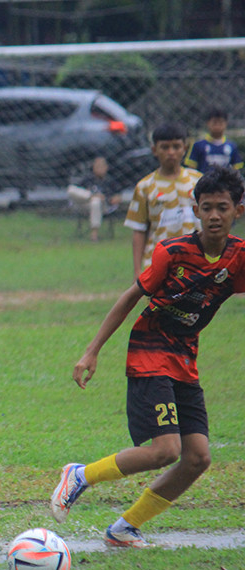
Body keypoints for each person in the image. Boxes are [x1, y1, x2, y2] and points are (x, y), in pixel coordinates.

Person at [51, 166, 245, 548]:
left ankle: (125, 527)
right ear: (196, 210)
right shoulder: (172, 253)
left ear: (238, 210)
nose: (214, 216)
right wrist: (92, 351)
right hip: (149, 352)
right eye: (207, 207)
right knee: (165, 450)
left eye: (223, 207)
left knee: (197, 458)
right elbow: (129, 298)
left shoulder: (238, 258)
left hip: (185, 360)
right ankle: (80, 475)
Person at [124, 123, 202, 281]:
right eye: (165, 147)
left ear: (185, 148)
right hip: (158, 262)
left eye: (176, 146)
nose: (171, 152)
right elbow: (139, 230)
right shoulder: (145, 186)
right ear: (154, 150)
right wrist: (138, 270)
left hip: (196, 261)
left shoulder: (199, 181)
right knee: (160, 305)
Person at [66, 156, 122, 242]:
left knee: (96, 202)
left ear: (106, 167)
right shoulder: (88, 179)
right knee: (71, 189)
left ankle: (94, 235)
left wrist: (115, 198)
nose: (99, 169)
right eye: (96, 166)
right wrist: (91, 196)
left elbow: (118, 196)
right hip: (85, 204)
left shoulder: (110, 181)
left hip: (103, 206)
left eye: (101, 166)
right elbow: (77, 190)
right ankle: (92, 196)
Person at [184, 108, 244, 175]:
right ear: (208, 123)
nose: (217, 126)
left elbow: (236, 169)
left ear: (226, 124)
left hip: (225, 184)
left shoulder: (232, 146)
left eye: (221, 123)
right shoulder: (198, 145)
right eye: (214, 122)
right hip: (204, 183)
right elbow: (191, 169)